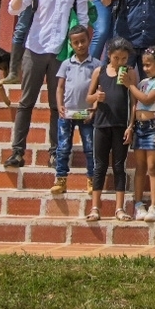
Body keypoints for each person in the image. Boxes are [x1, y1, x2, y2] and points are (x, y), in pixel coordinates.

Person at [4, 0, 90, 169]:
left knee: (57, 105)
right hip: (35, 48)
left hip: (60, 53)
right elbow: (13, 9)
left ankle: (56, 151)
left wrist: (78, 49)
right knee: (26, 102)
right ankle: (17, 151)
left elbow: (82, 19)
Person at [118, 45, 155, 221]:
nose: (145, 68)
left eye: (149, 65)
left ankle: (154, 205)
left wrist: (130, 85)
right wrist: (131, 125)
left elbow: (146, 99)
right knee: (140, 167)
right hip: (139, 126)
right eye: (144, 65)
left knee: (153, 166)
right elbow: (135, 104)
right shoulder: (142, 83)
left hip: (152, 127)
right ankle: (138, 204)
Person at [86, 36, 133, 221]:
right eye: (116, 58)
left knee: (119, 166)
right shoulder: (100, 71)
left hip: (121, 125)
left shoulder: (130, 72)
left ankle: (119, 208)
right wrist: (97, 96)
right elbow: (88, 97)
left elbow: (133, 102)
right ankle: (95, 207)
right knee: (100, 166)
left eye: (123, 59)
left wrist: (130, 126)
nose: (120, 62)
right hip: (102, 123)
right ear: (109, 55)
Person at [51, 24, 100, 202]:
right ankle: (61, 180)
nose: (80, 45)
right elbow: (60, 87)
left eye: (83, 41)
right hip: (68, 113)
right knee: (63, 147)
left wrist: (94, 108)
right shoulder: (66, 64)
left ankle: (92, 179)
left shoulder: (96, 65)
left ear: (89, 40)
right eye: (76, 43)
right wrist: (60, 106)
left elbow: (99, 89)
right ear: (70, 45)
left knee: (89, 147)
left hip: (86, 113)